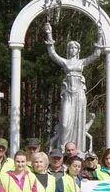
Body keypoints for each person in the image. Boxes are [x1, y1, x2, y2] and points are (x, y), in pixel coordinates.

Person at [44, 21, 103, 152]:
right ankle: (62, 150)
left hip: (79, 94)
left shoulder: (82, 62)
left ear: (78, 50)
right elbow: (52, 54)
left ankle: (78, 150)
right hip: (67, 95)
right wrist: (49, 34)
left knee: (79, 123)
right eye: (70, 48)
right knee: (64, 124)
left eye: (75, 48)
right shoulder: (64, 62)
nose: (72, 50)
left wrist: (99, 36)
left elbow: (97, 54)